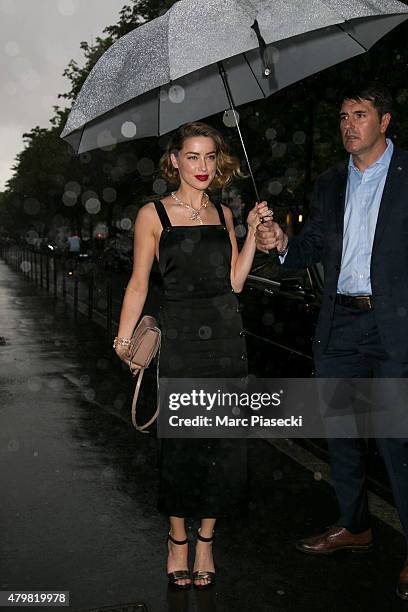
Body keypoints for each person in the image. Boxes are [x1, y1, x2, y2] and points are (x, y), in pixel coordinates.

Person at [256, 83, 408, 601]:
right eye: (343, 116)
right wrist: (280, 244)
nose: (348, 125)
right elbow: (312, 247)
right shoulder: (328, 183)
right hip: (340, 324)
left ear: (384, 121)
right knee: (342, 433)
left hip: (394, 328)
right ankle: (354, 525)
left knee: (396, 441)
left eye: (359, 114)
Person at [114, 121, 263, 590]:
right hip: (180, 341)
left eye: (210, 157)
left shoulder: (223, 214)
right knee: (181, 445)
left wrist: (254, 233)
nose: (202, 166)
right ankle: (177, 539)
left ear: (219, 162)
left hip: (225, 341)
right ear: (174, 161)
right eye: (192, 157)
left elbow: (236, 282)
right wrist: (123, 340)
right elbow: (139, 283)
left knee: (223, 447)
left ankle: (206, 540)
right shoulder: (152, 215)